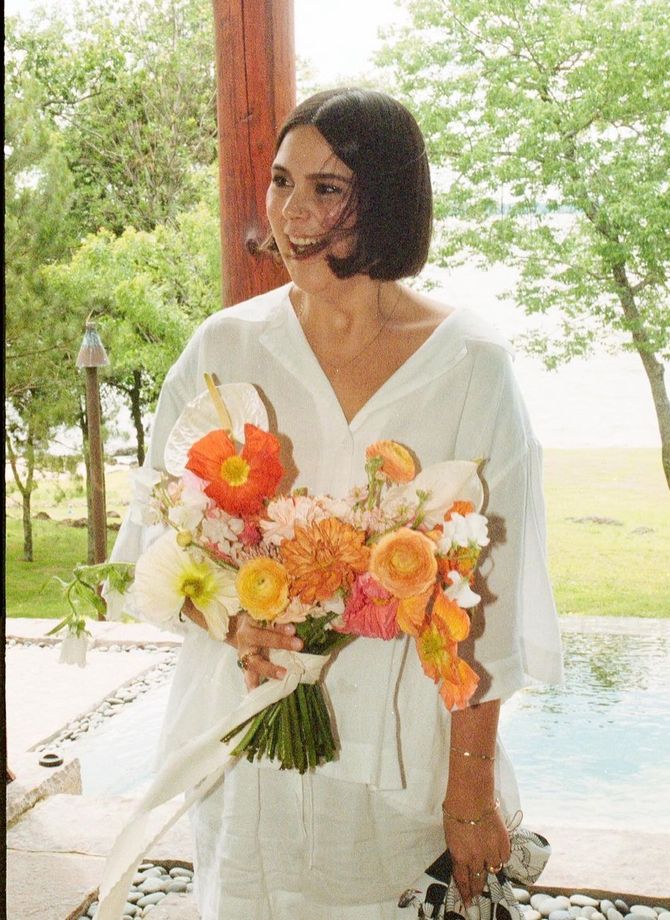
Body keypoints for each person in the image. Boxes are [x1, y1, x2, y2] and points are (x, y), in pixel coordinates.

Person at [111, 87, 563, 919]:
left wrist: (469, 792)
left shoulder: (472, 365)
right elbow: (151, 542)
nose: (292, 212)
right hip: (249, 746)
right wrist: (230, 622)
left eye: (328, 188)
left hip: (403, 753)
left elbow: (489, 604)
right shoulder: (225, 347)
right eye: (282, 182)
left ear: (387, 198)